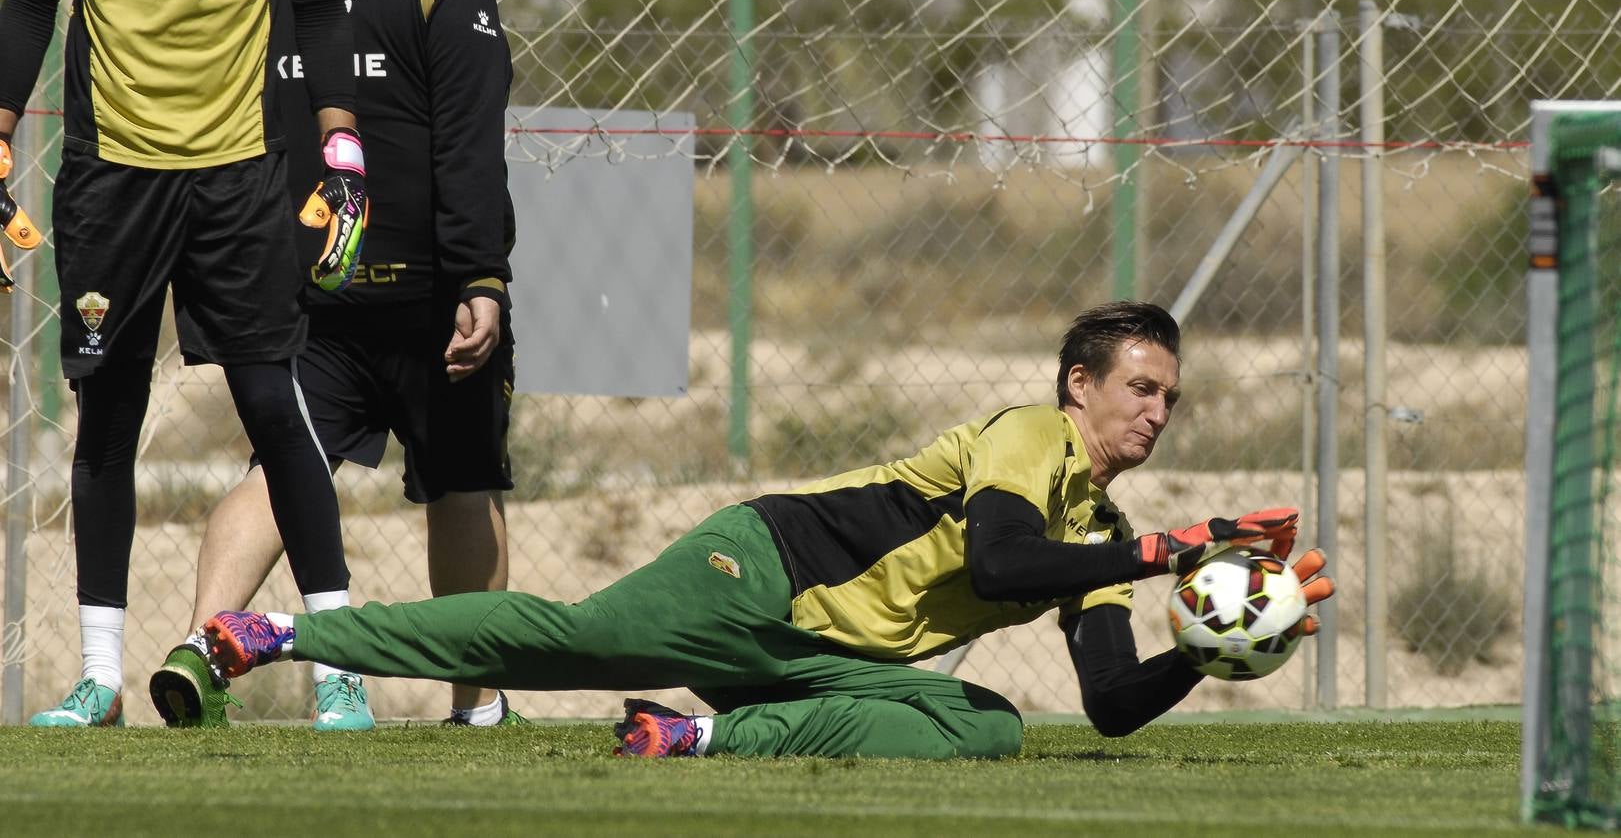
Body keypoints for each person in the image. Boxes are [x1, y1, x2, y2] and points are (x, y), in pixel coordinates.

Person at [195, 302, 1336, 757]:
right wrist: (1160, 555)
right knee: (555, 644)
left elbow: (1105, 706)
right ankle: (280, 638)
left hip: (816, 661)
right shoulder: (1030, 436)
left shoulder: (1101, 523)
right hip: (754, 572)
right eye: (1140, 388)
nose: (1157, 412)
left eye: (1170, 398)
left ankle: (690, 741)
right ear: (1078, 384)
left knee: (988, 728)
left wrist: (1205, 646)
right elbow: (999, 559)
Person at [148, 0, 520, 730]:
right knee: (460, 486)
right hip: (431, 291)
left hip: (298, 277)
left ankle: (197, 655)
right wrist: (480, 275)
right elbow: (467, 144)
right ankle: (477, 706)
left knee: (276, 471)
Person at [0, 0, 370, 727]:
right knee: (106, 419)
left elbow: (319, 2)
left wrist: (343, 153)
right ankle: (101, 681)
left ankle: (339, 669)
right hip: (112, 172)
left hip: (243, 173)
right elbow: (30, 1)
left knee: (274, 404)